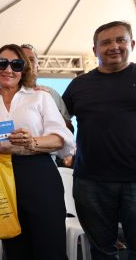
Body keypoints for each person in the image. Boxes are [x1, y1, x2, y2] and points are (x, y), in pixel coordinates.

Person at [0, 44, 75, 260]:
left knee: (49, 245)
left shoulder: (40, 97)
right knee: (14, 247)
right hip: (1, 174)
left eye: (16, 64)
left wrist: (32, 142)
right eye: (2, 63)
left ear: (24, 69)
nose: (8, 69)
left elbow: (62, 138)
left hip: (38, 172)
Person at [62, 21, 136, 259]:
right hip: (90, 182)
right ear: (95, 50)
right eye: (105, 42)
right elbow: (62, 121)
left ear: (132, 44)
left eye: (120, 40)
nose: (113, 46)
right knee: (101, 251)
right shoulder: (79, 85)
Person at [20, 44, 74, 167]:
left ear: (38, 66)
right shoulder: (2, 96)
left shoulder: (49, 94)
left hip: (44, 162)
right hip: (6, 165)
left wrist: (51, 109)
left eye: (32, 60)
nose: (27, 63)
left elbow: (69, 131)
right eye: (22, 59)